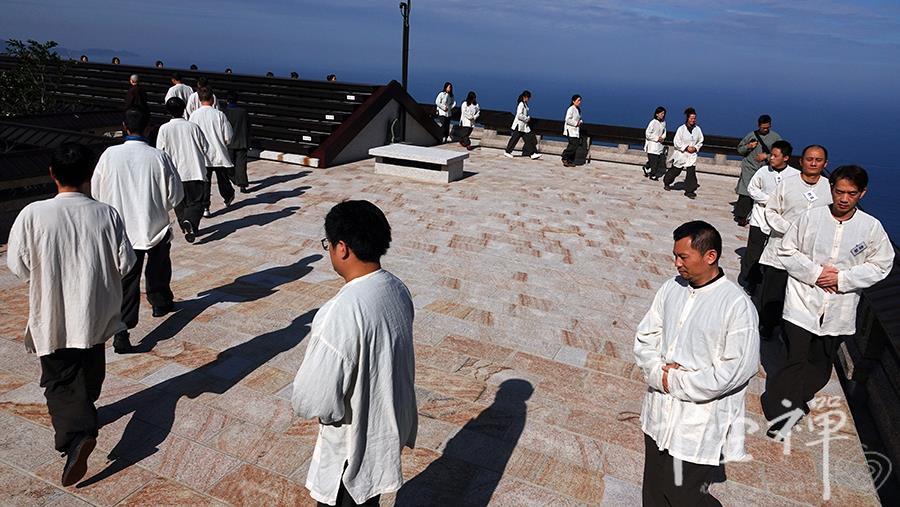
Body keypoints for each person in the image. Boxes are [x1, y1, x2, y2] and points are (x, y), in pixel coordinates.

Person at [7, 143, 136, 487]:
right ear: (88, 175)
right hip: (95, 314)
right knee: (90, 372)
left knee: (59, 380)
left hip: (53, 313)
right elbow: (126, 263)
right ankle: (83, 415)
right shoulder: (107, 214)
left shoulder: (33, 214)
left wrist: (45, 274)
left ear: (52, 174)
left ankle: (77, 436)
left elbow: (17, 264)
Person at [292, 200, 417, 507]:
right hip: (385, 433)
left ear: (342, 248)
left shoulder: (341, 310)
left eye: (328, 244)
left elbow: (312, 398)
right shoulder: (397, 288)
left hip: (350, 449)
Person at [762, 165, 894, 438]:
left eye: (851, 193)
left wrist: (842, 278)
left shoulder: (871, 228)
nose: (844, 199)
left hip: (838, 307)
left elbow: (882, 264)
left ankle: (797, 398)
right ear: (831, 189)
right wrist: (816, 274)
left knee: (821, 365)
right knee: (795, 359)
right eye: (839, 192)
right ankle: (783, 413)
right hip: (802, 301)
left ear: (862, 193)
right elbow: (787, 251)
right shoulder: (810, 218)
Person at [634, 221, 759, 506]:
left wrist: (677, 381)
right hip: (659, 413)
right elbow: (646, 336)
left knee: (684, 495)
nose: (677, 263)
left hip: (697, 423)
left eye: (683, 257)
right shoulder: (671, 288)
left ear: (710, 256)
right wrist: (657, 373)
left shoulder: (736, 305)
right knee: (654, 489)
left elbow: (736, 370)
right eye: (675, 256)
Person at [92, 109, 183, 353]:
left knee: (127, 282)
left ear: (124, 126)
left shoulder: (109, 155)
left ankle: (122, 330)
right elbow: (175, 194)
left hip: (120, 229)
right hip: (153, 225)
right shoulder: (159, 157)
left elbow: (96, 190)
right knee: (158, 267)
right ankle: (160, 303)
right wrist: (159, 206)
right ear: (149, 128)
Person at [755, 145, 832, 340]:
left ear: (825, 163)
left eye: (818, 160)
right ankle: (767, 326)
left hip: (810, 255)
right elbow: (771, 211)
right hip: (781, 248)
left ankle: (789, 330)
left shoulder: (829, 188)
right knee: (773, 291)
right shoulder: (787, 184)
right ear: (801, 161)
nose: (813, 163)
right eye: (809, 159)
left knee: (799, 297)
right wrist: (790, 229)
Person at [738, 140, 798, 294]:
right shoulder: (763, 171)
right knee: (754, 250)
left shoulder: (794, 175)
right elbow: (752, 189)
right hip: (760, 217)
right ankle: (749, 280)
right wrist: (770, 200)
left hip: (780, 220)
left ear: (785, 158)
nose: (771, 158)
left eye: (775, 156)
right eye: (771, 155)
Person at [156, 97, 209, 243]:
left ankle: (185, 224)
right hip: (194, 170)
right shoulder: (193, 127)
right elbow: (205, 147)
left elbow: (160, 151)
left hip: (175, 172)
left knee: (179, 203)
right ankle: (190, 222)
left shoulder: (164, 129)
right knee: (196, 202)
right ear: (184, 109)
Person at [190, 87, 234, 217]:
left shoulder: (194, 115)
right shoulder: (219, 115)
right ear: (212, 99)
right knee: (223, 178)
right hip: (218, 152)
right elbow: (228, 136)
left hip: (202, 154)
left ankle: (205, 207)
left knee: (205, 181)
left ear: (199, 99)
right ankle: (228, 196)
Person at [735, 115, 782, 226]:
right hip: (749, 167)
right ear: (758, 125)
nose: (765, 130)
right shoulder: (751, 135)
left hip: (765, 169)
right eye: (763, 128)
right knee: (746, 191)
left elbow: (780, 153)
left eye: (767, 128)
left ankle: (758, 214)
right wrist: (748, 146)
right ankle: (742, 216)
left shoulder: (775, 138)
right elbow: (740, 149)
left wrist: (767, 156)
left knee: (760, 192)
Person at [663, 107, 703, 199]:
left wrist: (695, 148)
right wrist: (686, 148)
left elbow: (700, 141)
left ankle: (689, 191)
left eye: (694, 118)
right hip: (681, 154)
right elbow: (676, 142)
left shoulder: (697, 129)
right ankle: (667, 182)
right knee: (675, 171)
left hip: (691, 155)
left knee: (691, 172)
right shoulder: (681, 129)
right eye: (691, 118)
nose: (693, 120)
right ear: (687, 118)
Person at [224, 91, 251, 193]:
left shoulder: (223, 113)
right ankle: (242, 184)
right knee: (241, 164)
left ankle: (234, 179)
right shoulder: (243, 112)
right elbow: (248, 127)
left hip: (228, 142)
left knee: (229, 164)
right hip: (241, 141)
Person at [504, 90, 541, 160]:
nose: (528, 99)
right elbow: (519, 115)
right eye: (528, 97)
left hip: (523, 126)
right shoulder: (521, 104)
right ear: (525, 97)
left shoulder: (525, 104)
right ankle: (507, 151)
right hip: (519, 126)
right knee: (514, 139)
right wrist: (527, 118)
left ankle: (532, 154)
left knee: (528, 139)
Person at [644, 106, 667, 179]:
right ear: (657, 114)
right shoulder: (653, 122)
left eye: (664, 113)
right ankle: (653, 175)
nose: (663, 115)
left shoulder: (663, 123)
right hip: (652, 145)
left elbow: (664, 132)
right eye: (661, 113)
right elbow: (647, 134)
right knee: (654, 161)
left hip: (659, 146)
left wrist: (662, 138)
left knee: (657, 160)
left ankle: (646, 167)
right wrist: (657, 138)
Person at [561, 94, 583, 167]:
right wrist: (576, 123)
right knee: (573, 145)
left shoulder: (578, 109)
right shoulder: (571, 109)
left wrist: (580, 121)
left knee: (574, 145)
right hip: (570, 130)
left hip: (575, 131)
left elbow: (578, 118)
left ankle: (570, 161)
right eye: (578, 100)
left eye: (580, 100)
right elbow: (567, 119)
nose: (579, 102)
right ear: (573, 101)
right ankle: (565, 156)